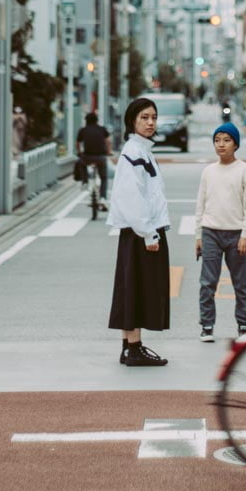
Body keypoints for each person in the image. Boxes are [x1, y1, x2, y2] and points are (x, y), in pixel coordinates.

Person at [107, 96, 171, 367]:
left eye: (153, 117)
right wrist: (149, 232)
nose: (150, 122)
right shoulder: (134, 151)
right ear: (132, 120)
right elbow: (131, 196)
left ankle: (130, 346)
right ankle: (133, 348)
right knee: (138, 288)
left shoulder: (141, 150)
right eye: (144, 117)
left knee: (132, 288)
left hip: (140, 231)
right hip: (141, 232)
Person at [195, 121, 246, 342]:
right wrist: (198, 235)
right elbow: (200, 205)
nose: (221, 145)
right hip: (211, 231)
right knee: (207, 282)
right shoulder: (208, 172)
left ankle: (242, 324)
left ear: (236, 144)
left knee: (241, 283)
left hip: (235, 234)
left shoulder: (245, 171)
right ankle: (207, 326)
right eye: (217, 140)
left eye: (226, 140)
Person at [76, 109, 112, 195]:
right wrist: (109, 151)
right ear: (97, 120)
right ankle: (103, 197)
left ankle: (85, 182)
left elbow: (77, 143)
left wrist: (79, 153)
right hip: (101, 157)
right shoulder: (102, 129)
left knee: (81, 164)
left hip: (87, 157)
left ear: (86, 121)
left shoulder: (83, 130)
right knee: (103, 177)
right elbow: (108, 141)